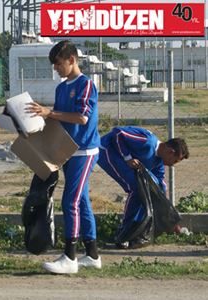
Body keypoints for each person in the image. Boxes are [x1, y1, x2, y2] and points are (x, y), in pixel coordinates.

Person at [26, 40, 101, 274]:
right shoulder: (61, 88)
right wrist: (36, 119)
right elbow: (58, 117)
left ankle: (70, 257)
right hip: (67, 150)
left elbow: (81, 118)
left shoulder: (86, 85)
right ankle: (92, 254)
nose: (56, 69)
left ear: (72, 60)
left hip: (84, 150)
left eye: (58, 64)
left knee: (70, 201)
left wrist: (50, 112)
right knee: (82, 200)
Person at [97, 126, 189, 249]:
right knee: (136, 189)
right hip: (107, 150)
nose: (173, 165)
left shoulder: (158, 161)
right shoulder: (147, 141)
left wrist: (170, 218)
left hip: (120, 158)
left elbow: (159, 187)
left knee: (150, 189)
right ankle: (125, 233)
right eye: (175, 161)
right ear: (170, 152)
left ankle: (133, 231)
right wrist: (128, 157)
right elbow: (118, 133)